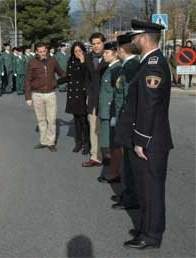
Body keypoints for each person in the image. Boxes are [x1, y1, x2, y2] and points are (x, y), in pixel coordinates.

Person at [121, 19, 173, 250]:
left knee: (151, 189)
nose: (132, 40)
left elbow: (148, 107)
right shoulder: (149, 62)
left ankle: (151, 235)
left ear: (144, 38)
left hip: (150, 140)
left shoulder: (152, 65)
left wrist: (141, 141)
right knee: (145, 188)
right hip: (149, 138)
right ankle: (147, 226)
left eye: (134, 36)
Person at [111, 32, 140, 210]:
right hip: (124, 117)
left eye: (117, 49)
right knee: (127, 162)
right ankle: (129, 193)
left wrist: (123, 119)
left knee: (131, 163)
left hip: (128, 119)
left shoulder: (132, 67)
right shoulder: (126, 65)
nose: (117, 52)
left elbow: (129, 97)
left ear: (121, 49)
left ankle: (133, 197)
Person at [25, 42, 66, 152]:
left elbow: (61, 72)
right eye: (40, 51)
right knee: (41, 119)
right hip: (37, 95)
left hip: (50, 94)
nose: (43, 53)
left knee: (51, 120)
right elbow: (28, 80)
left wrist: (64, 79)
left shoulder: (52, 60)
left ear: (46, 50)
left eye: (44, 51)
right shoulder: (32, 62)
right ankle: (43, 141)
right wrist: (28, 97)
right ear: (37, 52)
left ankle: (51, 142)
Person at [97, 41, 122, 183]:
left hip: (110, 111)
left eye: (107, 52)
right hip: (105, 110)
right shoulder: (109, 67)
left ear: (115, 54)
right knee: (108, 143)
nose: (104, 54)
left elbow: (116, 93)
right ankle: (112, 170)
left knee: (113, 144)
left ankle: (114, 172)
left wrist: (113, 114)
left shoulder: (116, 69)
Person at [82, 32, 108, 167]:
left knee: (108, 129)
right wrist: (87, 94)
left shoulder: (110, 56)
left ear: (103, 43)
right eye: (93, 44)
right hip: (92, 98)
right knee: (94, 128)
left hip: (107, 99)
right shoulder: (88, 57)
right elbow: (86, 78)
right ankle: (95, 157)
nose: (96, 46)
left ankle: (110, 157)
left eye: (98, 43)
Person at [64, 42, 90, 155]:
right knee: (76, 120)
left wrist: (83, 61)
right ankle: (78, 142)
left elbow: (86, 76)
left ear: (83, 51)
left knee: (84, 121)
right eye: (75, 51)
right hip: (72, 94)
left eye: (80, 51)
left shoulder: (87, 60)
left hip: (82, 94)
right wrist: (54, 82)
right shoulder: (71, 61)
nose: (77, 53)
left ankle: (87, 144)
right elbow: (68, 77)